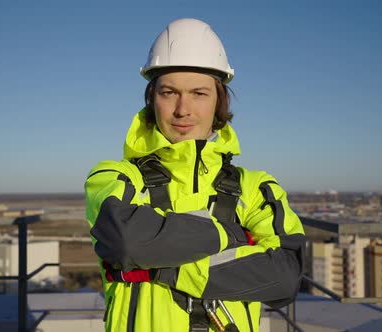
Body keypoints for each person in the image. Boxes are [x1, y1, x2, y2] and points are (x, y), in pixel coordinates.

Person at [85, 18, 305, 332]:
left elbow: (284, 276)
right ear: (152, 99)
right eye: (169, 92)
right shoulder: (115, 177)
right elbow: (128, 242)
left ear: (219, 101)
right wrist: (231, 237)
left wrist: (160, 269)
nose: (183, 109)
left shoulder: (256, 188)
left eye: (199, 93)